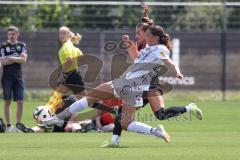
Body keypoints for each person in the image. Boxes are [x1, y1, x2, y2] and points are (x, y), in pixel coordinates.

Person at [44, 25, 185, 145]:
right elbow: (137, 58)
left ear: (155, 37)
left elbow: (168, 62)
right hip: (135, 89)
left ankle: (58, 118)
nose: (145, 36)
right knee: (126, 124)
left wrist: (177, 71)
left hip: (127, 83)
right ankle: (156, 131)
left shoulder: (160, 48)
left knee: (90, 98)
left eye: (147, 34)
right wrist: (130, 43)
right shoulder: (149, 48)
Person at [0, 26, 28, 132]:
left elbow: (24, 60)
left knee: (20, 101)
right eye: (9, 34)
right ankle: (8, 126)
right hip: (6, 78)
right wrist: (17, 58)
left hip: (18, 78)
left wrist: (9, 57)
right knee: (7, 101)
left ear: (17, 34)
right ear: (8, 35)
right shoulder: (3, 46)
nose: (11, 36)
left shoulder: (22, 45)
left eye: (13, 34)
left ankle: (18, 125)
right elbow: (2, 62)